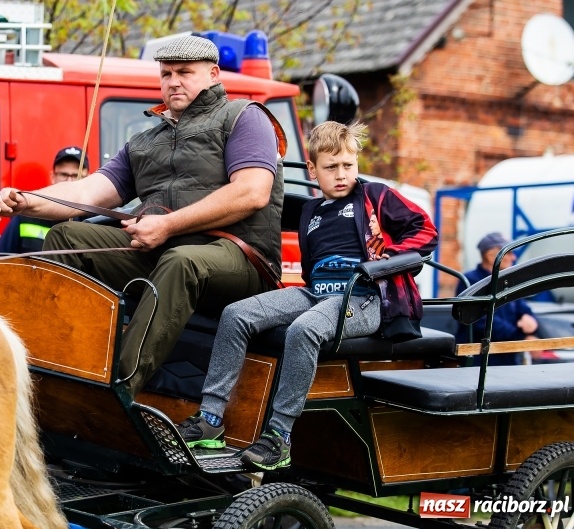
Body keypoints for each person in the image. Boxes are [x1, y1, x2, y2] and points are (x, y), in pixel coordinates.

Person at [0, 35, 287, 397]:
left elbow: (252, 192)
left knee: (182, 262)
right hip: (162, 252)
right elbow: (86, 192)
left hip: (240, 258)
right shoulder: (143, 142)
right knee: (68, 237)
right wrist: (27, 199)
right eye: (166, 73)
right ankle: (56, 364)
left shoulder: (243, 117)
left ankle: (118, 389)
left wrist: (167, 224)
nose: (173, 81)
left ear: (213, 74)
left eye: (184, 72)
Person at [175, 121, 438, 471]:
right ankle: (210, 419)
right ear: (313, 170)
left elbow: (426, 230)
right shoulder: (311, 213)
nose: (341, 174)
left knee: (304, 329)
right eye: (331, 168)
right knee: (236, 315)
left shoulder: (375, 196)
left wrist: (387, 260)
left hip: (363, 297)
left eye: (348, 165)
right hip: (315, 292)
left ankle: (279, 437)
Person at [455, 232, 538, 365]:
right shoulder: (470, 281)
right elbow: (481, 321)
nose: (514, 257)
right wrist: (520, 335)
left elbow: (522, 307)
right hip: (480, 360)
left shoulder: (508, 280)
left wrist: (529, 318)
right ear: (491, 255)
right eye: (509, 253)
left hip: (507, 357)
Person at [0, 146, 89, 254]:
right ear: (53, 177)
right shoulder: (25, 217)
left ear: (87, 179)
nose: (69, 181)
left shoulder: (93, 223)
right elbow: (0, 262)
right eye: (64, 174)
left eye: (77, 175)